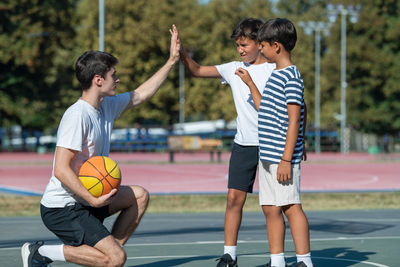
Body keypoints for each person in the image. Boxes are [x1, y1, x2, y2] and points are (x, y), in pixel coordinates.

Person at [21, 25, 181, 267]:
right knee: (115, 259)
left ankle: (108, 257)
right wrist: (93, 201)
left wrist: (171, 61)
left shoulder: (106, 105)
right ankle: (41, 253)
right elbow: (61, 170)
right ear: (98, 80)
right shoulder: (78, 116)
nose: (117, 79)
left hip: (88, 199)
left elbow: (141, 94)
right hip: (64, 207)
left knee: (139, 196)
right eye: (113, 75)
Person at [176, 18, 275, 267]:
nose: (240, 50)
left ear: (260, 43)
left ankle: (278, 260)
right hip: (244, 145)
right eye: (238, 46)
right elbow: (197, 70)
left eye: (244, 45)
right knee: (233, 199)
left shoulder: (276, 70)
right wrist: (182, 53)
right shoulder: (233, 68)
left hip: (271, 144)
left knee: (272, 206)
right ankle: (229, 255)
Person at [236, 18, 312, 267]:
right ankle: (277, 261)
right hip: (267, 156)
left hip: (281, 157)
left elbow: (294, 119)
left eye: (263, 45)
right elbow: (264, 109)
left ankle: (304, 261)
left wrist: (287, 159)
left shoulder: (290, 76)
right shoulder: (274, 75)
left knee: (291, 206)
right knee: (270, 208)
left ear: (276, 46)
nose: (261, 49)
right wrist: (250, 84)